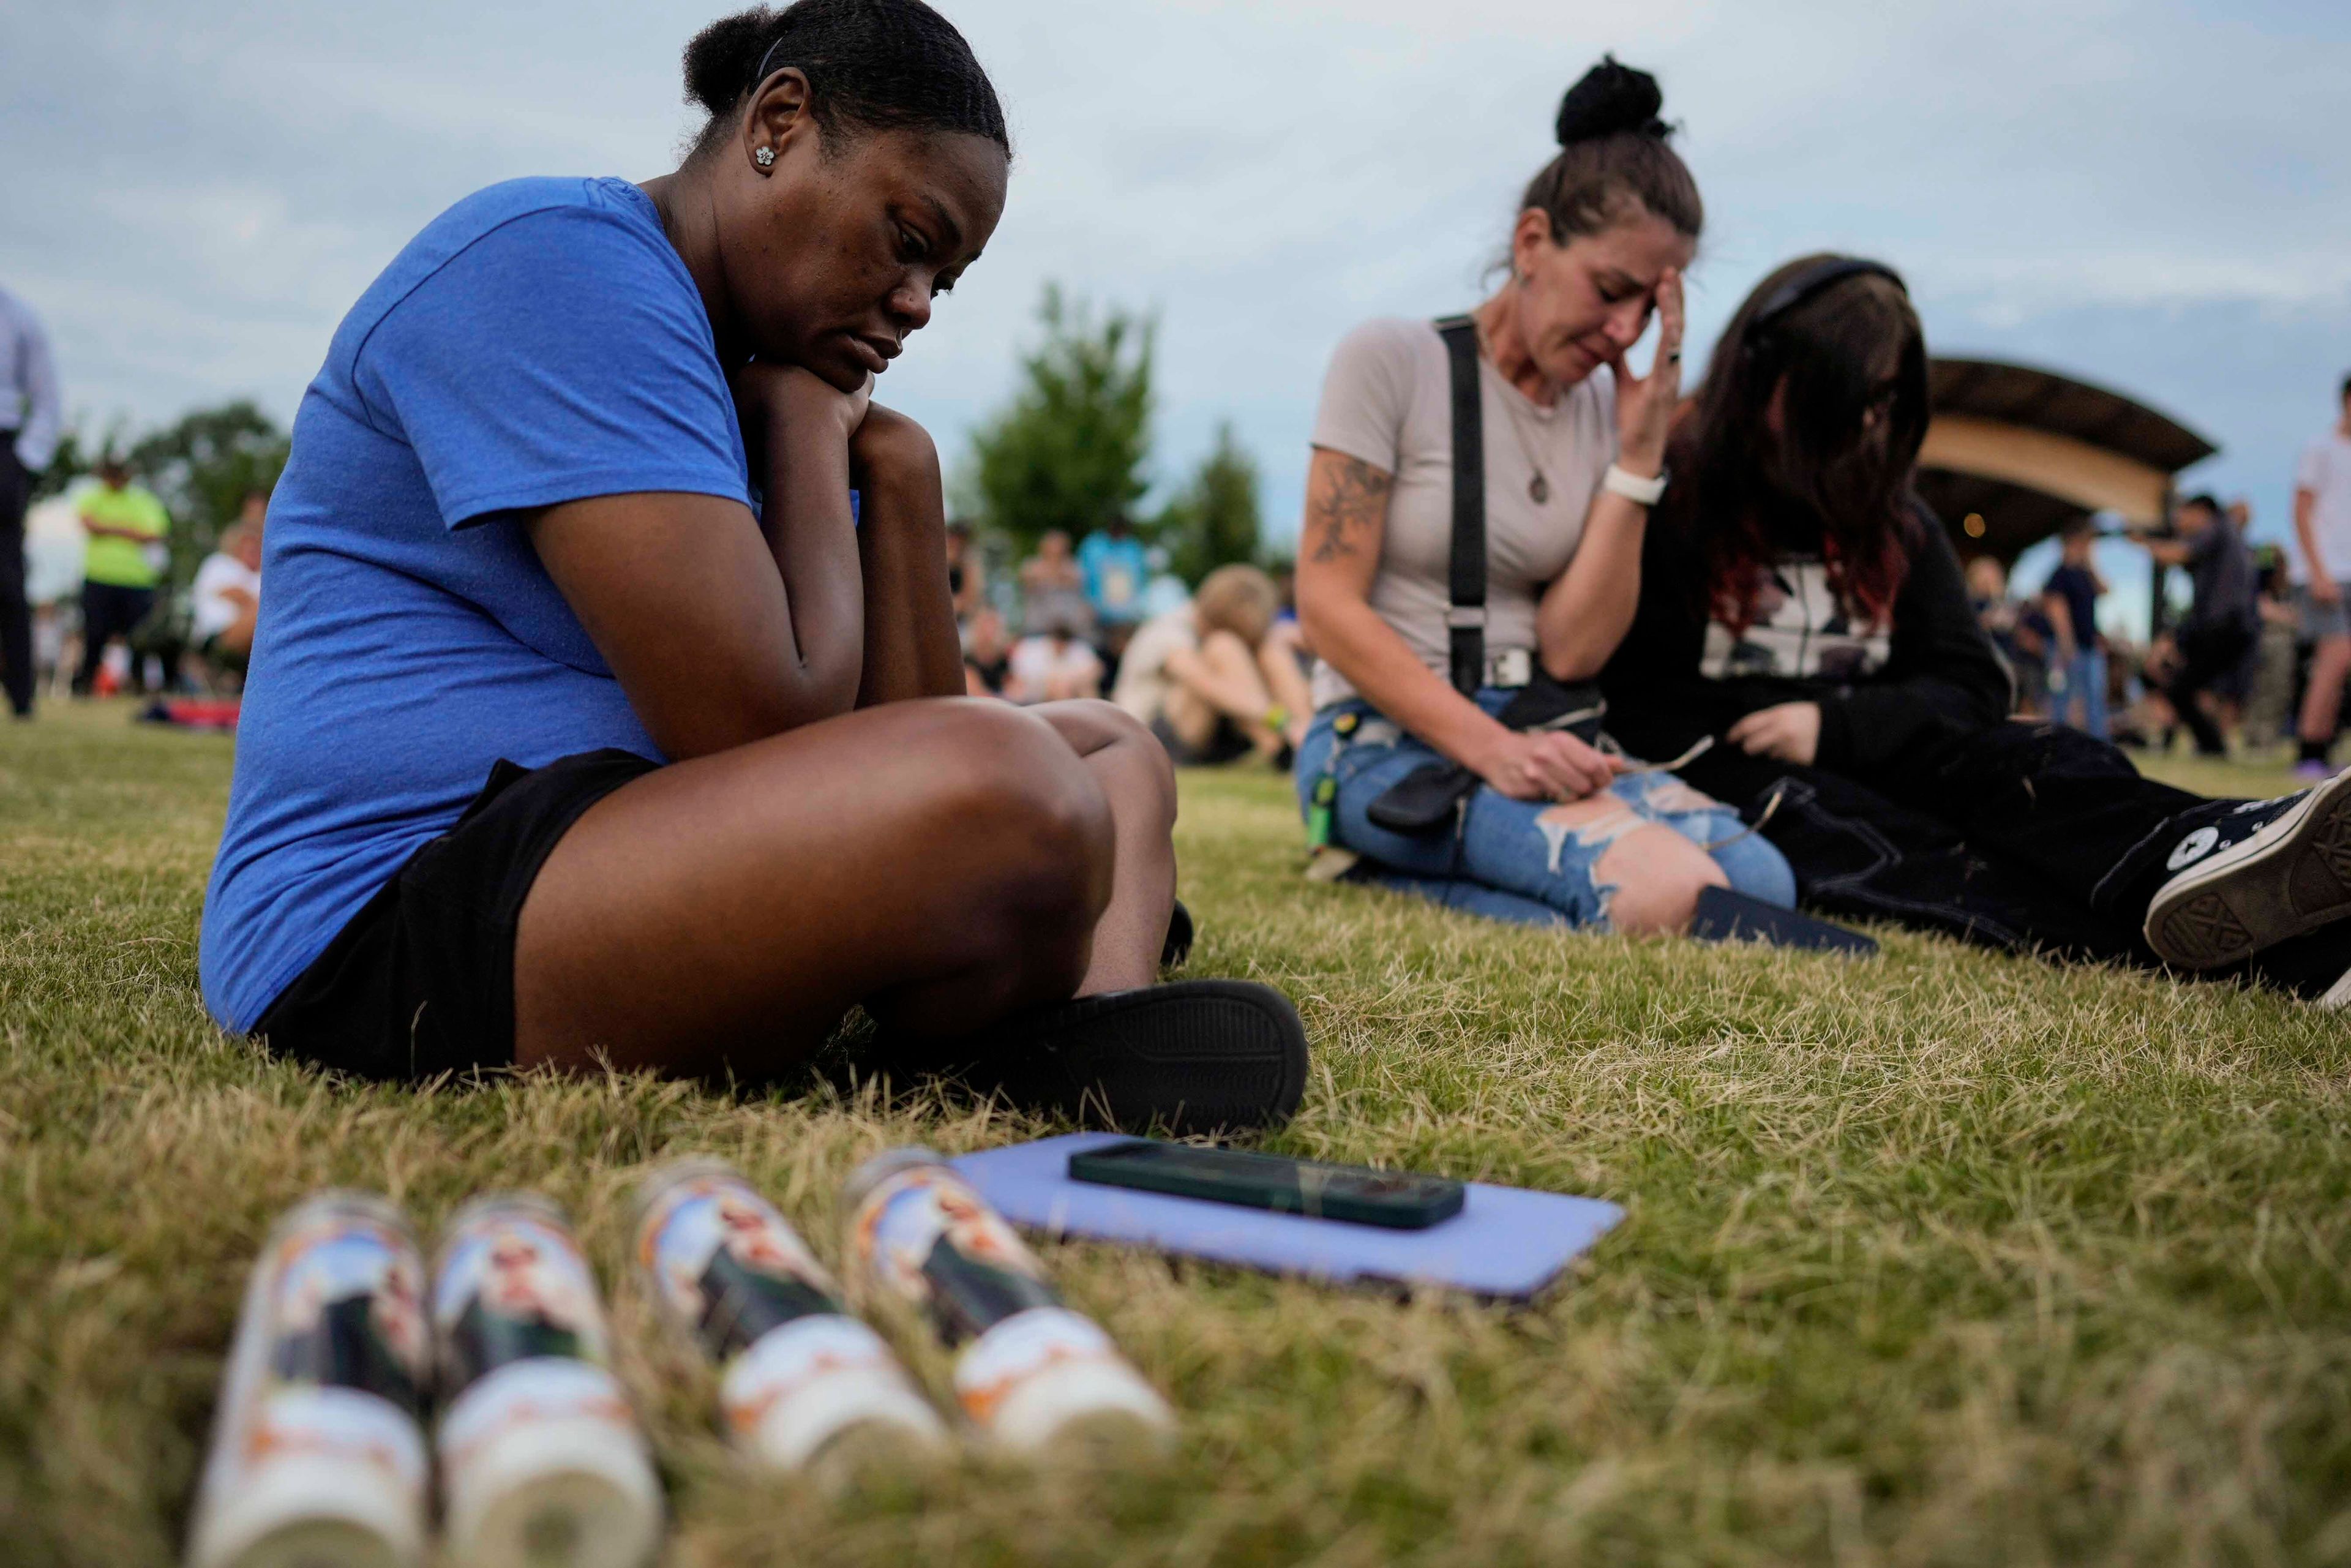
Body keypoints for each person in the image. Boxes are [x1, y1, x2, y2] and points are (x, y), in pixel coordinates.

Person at [198, 0, 1308, 1135]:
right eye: (910, 239)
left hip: (629, 840)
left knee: (1114, 748)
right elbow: (761, 724)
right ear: (778, 122)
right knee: (1026, 790)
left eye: (948, 280)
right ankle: (1038, 1033)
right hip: (397, 913)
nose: (921, 304)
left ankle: (1070, 1041)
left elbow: (904, 740)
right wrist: (808, 433)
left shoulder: (771, 370)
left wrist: (903, 470)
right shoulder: (559, 262)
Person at [1602, 253, 2351, 1002]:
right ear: (1767, 379)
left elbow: (1970, 683)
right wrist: (1788, 728)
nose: (1866, 425)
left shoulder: (1899, 523)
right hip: (1755, 778)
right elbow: (1633, 695)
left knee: (2042, 761)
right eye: (1846, 399)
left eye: (1884, 403)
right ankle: (2297, 964)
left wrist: (1835, 723)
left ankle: (2213, 848)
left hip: (1897, 746)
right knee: (1920, 857)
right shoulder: (1676, 506)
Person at [1294, 59, 1796, 934]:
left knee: (1762, 882)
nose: (1622, 331)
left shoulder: (1609, 409)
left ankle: (1422, 879)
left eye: (1649, 308)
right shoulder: (1390, 358)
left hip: (1544, 725)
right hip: (1383, 738)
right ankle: (1380, 856)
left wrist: (1639, 461)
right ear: (1532, 243)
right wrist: (1493, 750)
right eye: (1610, 290)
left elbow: (1573, 650)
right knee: (1667, 893)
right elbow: (1326, 604)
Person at [1115, 564, 1312, 766]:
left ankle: (1311, 741)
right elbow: (1208, 685)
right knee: (1224, 647)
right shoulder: (1167, 632)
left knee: (1271, 647)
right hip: (1153, 738)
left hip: (1218, 732)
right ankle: (1281, 750)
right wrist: (1281, 720)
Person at [2135, 493, 2257, 757]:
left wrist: (2143, 542)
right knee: (2183, 685)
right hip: (2223, 627)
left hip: (2223, 627)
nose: (2179, 521)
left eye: (2183, 514)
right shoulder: (2225, 536)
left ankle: (2209, 745)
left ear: (2201, 511)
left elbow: (2176, 553)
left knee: (2179, 686)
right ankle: (2208, 744)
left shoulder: (2216, 528)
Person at [0, 283, 61, 719]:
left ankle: (21, 694)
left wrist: (22, 460)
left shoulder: (18, 316)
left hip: (4, 450)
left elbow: (47, 396)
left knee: (7, 579)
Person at [2292, 373, 2351, 778]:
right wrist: (2317, 571)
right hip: (2322, 572)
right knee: (2335, 658)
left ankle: (2324, 749)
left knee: (2343, 663)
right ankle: (2307, 751)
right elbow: (2301, 510)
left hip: (2348, 571)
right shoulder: (2321, 447)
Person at [73, 457, 171, 697]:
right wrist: (127, 530)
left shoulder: (143, 500)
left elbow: (156, 532)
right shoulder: (93, 496)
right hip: (99, 577)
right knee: (95, 634)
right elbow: (88, 524)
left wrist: (110, 528)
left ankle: (139, 686)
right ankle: (86, 684)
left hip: (137, 581)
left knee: (139, 639)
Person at [2041, 518, 2107, 738]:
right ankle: (2057, 740)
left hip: (2088, 644)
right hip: (2067, 645)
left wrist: (2091, 564)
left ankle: (2098, 740)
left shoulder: (2084, 574)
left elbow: (2104, 590)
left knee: (2093, 696)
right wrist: (2066, 643)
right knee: (2063, 695)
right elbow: (2057, 610)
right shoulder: (2060, 574)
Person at [192, 495, 268, 681]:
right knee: (266, 610)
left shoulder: (262, 574)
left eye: (257, 545)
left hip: (250, 633)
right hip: (217, 635)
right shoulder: (220, 564)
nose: (253, 549)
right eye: (247, 543)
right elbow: (236, 594)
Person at [1076, 515, 1150, 645]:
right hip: (1097, 616)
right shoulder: (1092, 546)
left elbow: (1141, 580)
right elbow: (1082, 578)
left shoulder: (1133, 548)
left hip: (1127, 617)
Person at [1003, 610, 1103, 703]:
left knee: (1085, 688)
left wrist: (1070, 680)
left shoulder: (1079, 649)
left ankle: (1091, 716)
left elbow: (1097, 669)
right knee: (1057, 686)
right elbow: (1020, 675)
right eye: (1058, 643)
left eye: (1064, 644)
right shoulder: (1032, 648)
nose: (1060, 647)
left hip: (1071, 688)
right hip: (1035, 690)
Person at [1017, 528, 1092, 637]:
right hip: (1038, 628)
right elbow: (1028, 581)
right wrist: (1057, 578)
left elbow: (1078, 581)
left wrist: (1049, 577)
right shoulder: (1031, 565)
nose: (1056, 551)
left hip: (1069, 629)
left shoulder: (1074, 567)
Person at [943, 518, 984, 620]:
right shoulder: (936, 560)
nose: (955, 543)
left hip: (959, 618)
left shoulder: (969, 563)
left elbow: (970, 600)